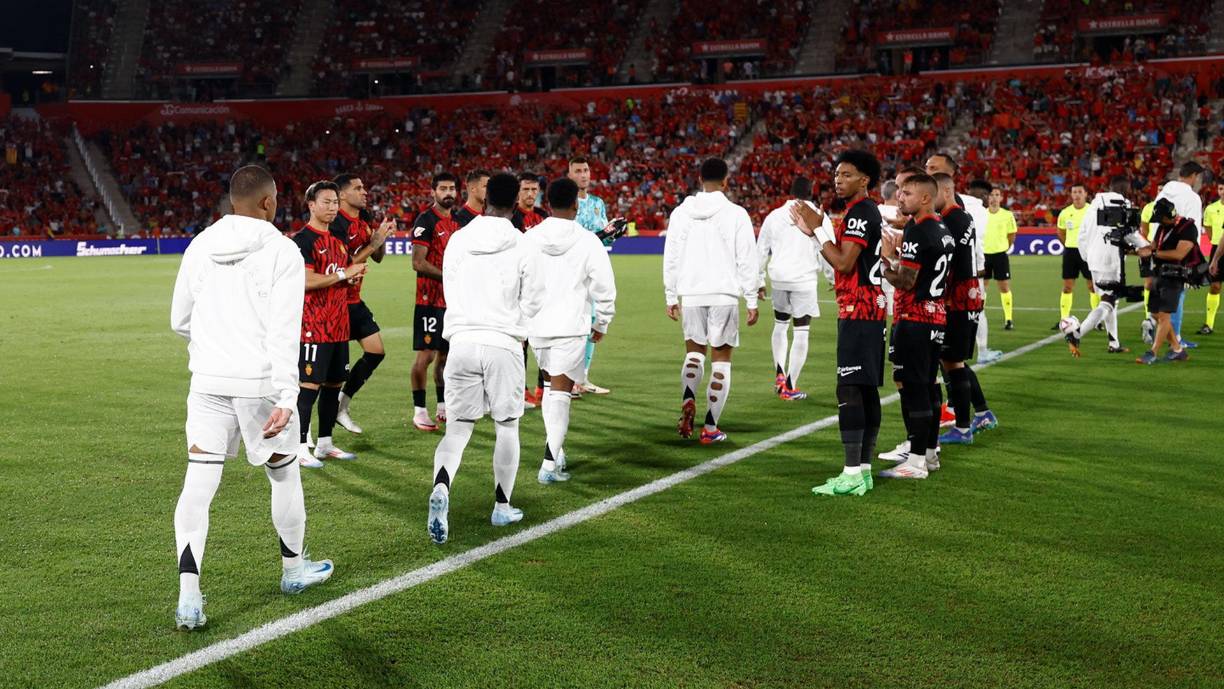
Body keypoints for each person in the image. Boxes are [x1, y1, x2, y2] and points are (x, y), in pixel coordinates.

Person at [169, 165, 332, 631]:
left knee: (198, 486)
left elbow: (180, 319)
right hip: (261, 386)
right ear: (267, 202)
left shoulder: (200, 244)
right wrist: (287, 394)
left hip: (209, 383)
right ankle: (293, 571)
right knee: (283, 477)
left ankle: (189, 596)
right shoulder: (281, 250)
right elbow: (285, 328)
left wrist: (213, 348)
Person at [427, 173, 543, 545]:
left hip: (461, 341)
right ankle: (502, 505)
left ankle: (442, 486)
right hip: (503, 343)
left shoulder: (459, 239)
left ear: (486, 198)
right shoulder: (523, 244)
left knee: (458, 428)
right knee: (507, 426)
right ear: (515, 203)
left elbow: (448, 287)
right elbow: (533, 299)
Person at [793, 151, 887, 496]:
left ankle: (852, 473)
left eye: (846, 174)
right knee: (864, 388)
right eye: (836, 174)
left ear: (864, 180)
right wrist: (817, 234)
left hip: (860, 310)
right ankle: (862, 472)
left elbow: (845, 263)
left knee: (849, 388)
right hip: (867, 310)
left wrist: (818, 232)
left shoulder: (861, 212)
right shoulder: (860, 211)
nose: (838, 179)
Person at [523, 178, 617, 483]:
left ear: (547, 203)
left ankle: (556, 452)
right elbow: (604, 287)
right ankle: (549, 463)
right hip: (571, 327)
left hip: (537, 327)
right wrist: (601, 322)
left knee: (551, 389)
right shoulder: (588, 240)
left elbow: (517, 281)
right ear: (576, 204)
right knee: (560, 394)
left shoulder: (530, 238)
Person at [663, 157, 760, 445]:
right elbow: (747, 257)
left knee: (694, 354)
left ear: (699, 179)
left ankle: (688, 397)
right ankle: (710, 427)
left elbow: (671, 255)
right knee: (721, 361)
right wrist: (752, 298)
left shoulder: (681, 213)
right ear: (726, 180)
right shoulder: (736, 213)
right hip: (724, 295)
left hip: (691, 294)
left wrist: (671, 295)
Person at [879, 174, 953, 480]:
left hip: (916, 318)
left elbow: (907, 281)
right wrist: (901, 258)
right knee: (930, 385)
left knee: (915, 389)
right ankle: (930, 453)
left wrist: (885, 263)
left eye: (907, 193)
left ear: (925, 198)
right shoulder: (942, 229)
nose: (900, 197)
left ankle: (917, 461)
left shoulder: (919, 231)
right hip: (936, 315)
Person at [294, 181, 365, 467]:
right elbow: (306, 281)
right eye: (326, 202)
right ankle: (299, 447)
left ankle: (324, 444)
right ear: (311, 205)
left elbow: (340, 276)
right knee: (309, 385)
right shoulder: (303, 241)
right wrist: (341, 276)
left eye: (336, 202)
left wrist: (351, 278)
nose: (333, 207)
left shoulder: (338, 240)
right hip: (313, 325)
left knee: (334, 384)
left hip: (339, 325)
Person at [329, 173, 395, 436]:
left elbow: (376, 257)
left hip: (354, 300)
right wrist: (374, 244)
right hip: (334, 302)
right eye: (358, 188)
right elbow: (346, 266)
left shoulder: (364, 218)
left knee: (376, 351)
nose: (364, 191)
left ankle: (341, 407)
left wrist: (381, 238)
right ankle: (306, 434)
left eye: (364, 187)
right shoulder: (336, 224)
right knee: (327, 370)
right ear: (342, 195)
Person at [931, 173, 992, 446]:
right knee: (954, 362)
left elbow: (951, 264)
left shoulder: (951, 220)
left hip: (956, 298)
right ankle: (978, 415)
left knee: (952, 363)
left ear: (945, 191)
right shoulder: (962, 217)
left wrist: (944, 297)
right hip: (968, 295)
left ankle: (964, 428)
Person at [757, 176, 829, 401]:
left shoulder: (774, 215)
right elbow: (826, 246)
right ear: (811, 191)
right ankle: (790, 384)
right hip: (804, 280)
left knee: (780, 324)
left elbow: (761, 250)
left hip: (779, 279)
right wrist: (832, 277)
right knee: (801, 331)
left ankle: (779, 373)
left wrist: (758, 281)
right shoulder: (818, 216)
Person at [1063, 175, 1151, 356]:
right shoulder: (1124, 206)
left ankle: (1114, 342)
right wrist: (1146, 247)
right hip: (1111, 260)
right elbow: (1131, 234)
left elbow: (1082, 234)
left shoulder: (1094, 205)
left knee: (1109, 300)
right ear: (1126, 191)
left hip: (1093, 259)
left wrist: (1088, 257)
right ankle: (1077, 333)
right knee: (1108, 301)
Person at [410, 173, 460, 431]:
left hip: (451, 302)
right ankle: (419, 410)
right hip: (429, 299)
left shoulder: (458, 222)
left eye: (452, 188)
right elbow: (418, 262)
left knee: (446, 355)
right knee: (426, 356)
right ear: (433, 192)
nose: (448, 192)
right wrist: (449, 277)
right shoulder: (426, 220)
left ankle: (442, 406)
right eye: (443, 188)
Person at [568, 157, 613, 395]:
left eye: (586, 170)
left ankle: (582, 378)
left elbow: (603, 237)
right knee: (576, 324)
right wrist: (600, 234)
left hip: (595, 270)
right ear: (570, 174)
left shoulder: (598, 202)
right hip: (573, 272)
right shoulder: (566, 202)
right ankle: (569, 379)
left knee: (593, 322)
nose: (583, 175)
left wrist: (613, 232)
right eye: (578, 171)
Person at [1137, 199, 1198, 364]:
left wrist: (1153, 253)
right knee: (1156, 314)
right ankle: (1178, 350)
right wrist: (1140, 249)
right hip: (1159, 274)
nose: (1158, 221)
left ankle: (1153, 352)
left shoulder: (1188, 228)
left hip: (1175, 275)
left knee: (1164, 315)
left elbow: (1179, 254)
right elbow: (1154, 246)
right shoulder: (1162, 227)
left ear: (1168, 216)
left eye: (1160, 218)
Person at [1154, 161, 1205, 349]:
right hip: (1179, 253)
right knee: (1177, 295)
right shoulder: (1192, 198)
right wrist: (1194, 259)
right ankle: (1175, 338)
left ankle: (1163, 334)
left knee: (1161, 293)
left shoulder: (1165, 191)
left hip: (1159, 249)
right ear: (1193, 176)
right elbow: (1192, 229)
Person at [1055, 184, 1098, 329]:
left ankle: (1096, 319)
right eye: (1074, 192)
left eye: (1080, 192)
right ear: (1071, 194)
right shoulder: (1065, 213)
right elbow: (1061, 232)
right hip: (1071, 252)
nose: (1077, 195)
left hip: (1088, 252)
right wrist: (1069, 244)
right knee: (1067, 287)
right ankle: (1064, 319)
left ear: (1086, 194)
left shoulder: (1093, 211)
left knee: (1092, 287)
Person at [982, 185, 1017, 331]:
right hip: (983, 255)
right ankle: (978, 316)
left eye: (997, 195)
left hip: (1000, 255)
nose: (994, 198)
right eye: (991, 195)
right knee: (982, 287)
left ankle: (1008, 318)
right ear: (987, 198)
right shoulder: (982, 214)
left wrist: (1003, 248)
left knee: (1003, 287)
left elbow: (1011, 235)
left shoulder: (1007, 215)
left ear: (1001, 198)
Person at [1198, 180, 1223, 335]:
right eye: (1221, 188)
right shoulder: (1211, 209)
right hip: (1217, 250)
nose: (1223, 191)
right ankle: (1209, 324)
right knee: (1214, 286)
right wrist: (1217, 242)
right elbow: (1207, 227)